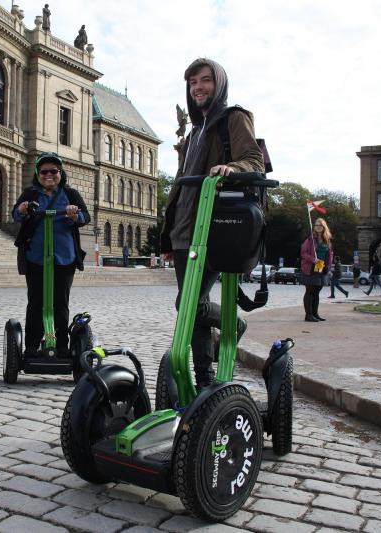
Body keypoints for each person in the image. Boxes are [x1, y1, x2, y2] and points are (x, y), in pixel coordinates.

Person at [160, 57, 264, 388]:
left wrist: (231, 168)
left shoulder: (233, 118)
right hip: (183, 231)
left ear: (218, 84)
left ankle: (233, 326)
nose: (198, 87)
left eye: (205, 80)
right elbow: (180, 184)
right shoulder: (192, 135)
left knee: (188, 304)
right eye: (192, 83)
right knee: (192, 316)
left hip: (213, 229)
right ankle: (204, 381)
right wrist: (167, 237)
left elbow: (255, 160)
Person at [13, 152, 90, 356]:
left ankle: (62, 346)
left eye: (54, 171)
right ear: (38, 174)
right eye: (44, 171)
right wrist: (22, 209)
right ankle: (31, 346)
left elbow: (85, 217)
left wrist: (75, 214)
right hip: (36, 256)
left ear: (60, 173)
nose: (49, 175)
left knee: (60, 303)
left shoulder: (70, 194)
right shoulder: (30, 194)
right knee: (36, 302)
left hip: (64, 257)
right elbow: (16, 214)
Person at [300, 217, 334, 322]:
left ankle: (315, 313)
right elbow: (303, 253)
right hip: (310, 268)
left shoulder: (327, 240)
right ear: (314, 227)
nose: (318, 227)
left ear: (324, 227)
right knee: (310, 291)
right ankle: (308, 315)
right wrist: (313, 259)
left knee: (317, 291)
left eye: (320, 225)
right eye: (316, 225)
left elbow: (330, 254)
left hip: (321, 268)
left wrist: (327, 267)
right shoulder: (310, 239)